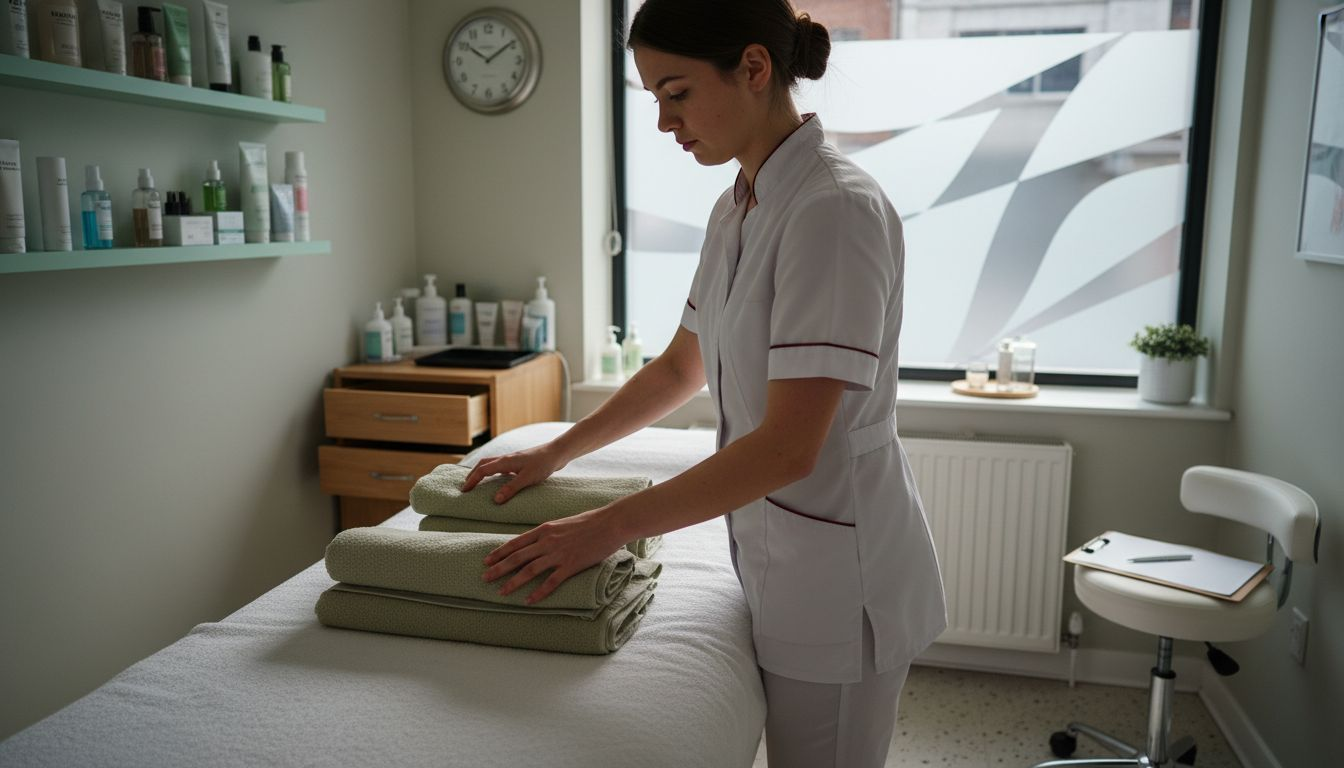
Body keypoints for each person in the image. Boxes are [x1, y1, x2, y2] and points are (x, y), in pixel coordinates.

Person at [464, 1, 947, 765]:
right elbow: (679, 366)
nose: (663, 122)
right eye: (655, 98)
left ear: (754, 68)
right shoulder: (739, 206)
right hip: (776, 552)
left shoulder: (833, 212)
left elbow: (789, 448)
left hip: (838, 575)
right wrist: (556, 453)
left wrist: (606, 527)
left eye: (677, 93)